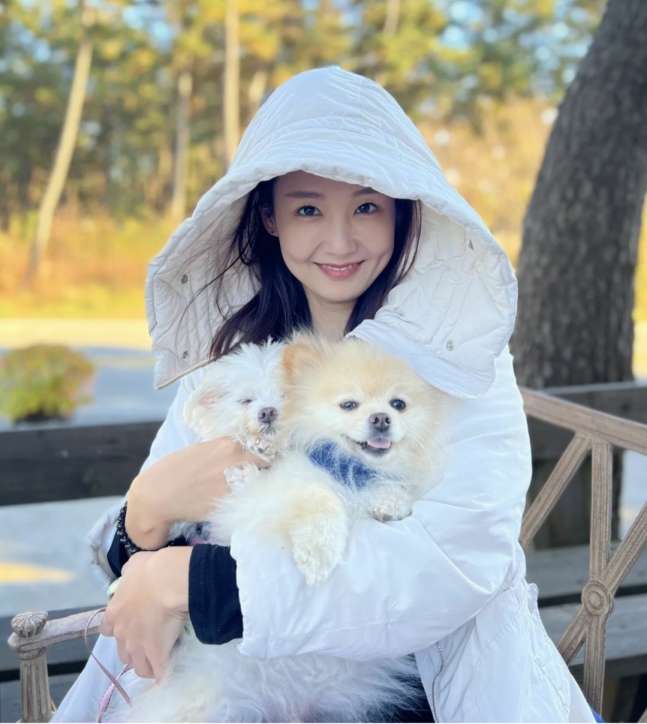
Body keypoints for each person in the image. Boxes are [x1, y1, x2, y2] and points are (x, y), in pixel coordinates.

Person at [52, 65, 595, 722]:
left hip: (413, 687)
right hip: (229, 676)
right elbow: (143, 562)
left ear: (402, 211)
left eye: (366, 207)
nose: (339, 241)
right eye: (308, 208)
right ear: (269, 217)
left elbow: (452, 562)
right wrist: (144, 513)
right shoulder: (236, 353)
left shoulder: (455, 354)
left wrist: (200, 583)